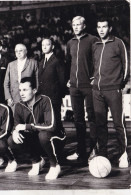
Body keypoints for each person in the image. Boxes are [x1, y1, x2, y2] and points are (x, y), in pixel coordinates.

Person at [92, 17, 130, 168]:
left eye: (104, 27)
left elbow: (126, 64)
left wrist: (120, 83)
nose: (101, 29)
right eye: (99, 27)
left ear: (110, 28)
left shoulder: (118, 42)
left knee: (118, 123)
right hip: (97, 91)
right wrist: (93, 80)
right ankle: (102, 154)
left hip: (113, 89)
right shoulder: (95, 45)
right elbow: (93, 65)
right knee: (100, 124)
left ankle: (123, 154)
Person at [7, 77, 61, 179]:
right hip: (36, 139)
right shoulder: (19, 105)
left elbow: (51, 126)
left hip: (56, 138)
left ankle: (55, 165)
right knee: (12, 140)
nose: (22, 93)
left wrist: (27, 126)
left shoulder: (45, 100)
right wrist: (14, 131)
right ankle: (37, 161)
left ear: (34, 90)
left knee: (43, 135)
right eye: (20, 90)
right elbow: (17, 125)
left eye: (25, 90)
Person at [66, 16, 98, 164]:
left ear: (84, 25)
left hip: (89, 86)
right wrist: (68, 79)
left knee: (92, 118)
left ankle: (94, 150)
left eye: (78, 24)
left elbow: (99, 61)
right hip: (74, 87)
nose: (76, 27)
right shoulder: (70, 42)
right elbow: (69, 63)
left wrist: (95, 77)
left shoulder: (92, 40)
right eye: (74, 24)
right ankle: (80, 150)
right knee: (78, 120)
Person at [38, 38, 67, 147]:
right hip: (43, 98)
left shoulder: (57, 61)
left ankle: (60, 144)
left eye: (47, 44)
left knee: (56, 122)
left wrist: (59, 96)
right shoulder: (41, 62)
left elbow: (62, 80)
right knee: (46, 122)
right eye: (43, 45)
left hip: (54, 98)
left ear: (52, 46)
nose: (44, 47)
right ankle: (49, 145)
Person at [4, 43, 38, 110]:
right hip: (14, 98)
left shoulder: (33, 63)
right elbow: (6, 83)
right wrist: (8, 98)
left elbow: (37, 80)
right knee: (15, 118)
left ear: (26, 51)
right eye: (16, 51)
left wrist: (35, 96)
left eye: (20, 50)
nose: (18, 53)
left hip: (29, 97)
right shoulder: (11, 65)